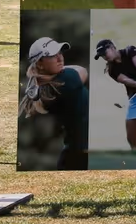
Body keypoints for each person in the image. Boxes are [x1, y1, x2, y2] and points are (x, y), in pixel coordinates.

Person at [20, 36, 88, 169]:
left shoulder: (47, 86)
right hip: (80, 157)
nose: (60, 58)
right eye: (52, 56)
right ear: (39, 63)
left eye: (60, 53)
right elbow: (82, 71)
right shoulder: (64, 80)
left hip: (75, 156)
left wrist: (37, 74)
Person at [95, 37, 136, 152]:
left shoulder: (130, 50)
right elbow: (124, 79)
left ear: (112, 47)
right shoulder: (111, 69)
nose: (105, 57)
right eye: (102, 56)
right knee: (131, 139)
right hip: (134, 101)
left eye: (105, 53)